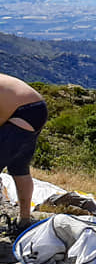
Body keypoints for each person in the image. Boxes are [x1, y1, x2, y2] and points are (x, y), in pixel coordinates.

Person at [0, 75, 48, 230]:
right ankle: (24, 220)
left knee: (19, 167)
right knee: (19, 168)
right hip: (36, 107)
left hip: (21, 112)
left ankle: (25, 220)